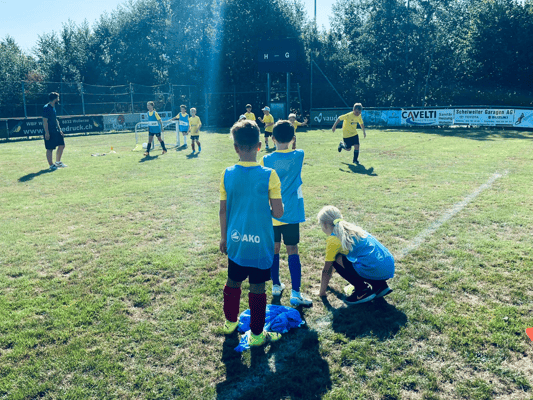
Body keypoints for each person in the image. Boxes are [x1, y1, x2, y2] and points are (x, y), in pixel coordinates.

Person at [219, 120, 284, 346]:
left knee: (233, 282)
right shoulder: (270, 174)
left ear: (236, 147)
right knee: (258, 287)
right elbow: (278, 212)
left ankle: (230, 323)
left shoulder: (227, 174)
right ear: (259, 146)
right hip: (260, 243)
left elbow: (223, 210)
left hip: (235, 241)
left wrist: (223, 238)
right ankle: (257, 335)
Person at [260, 120, 312, 307]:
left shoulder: (266, 159)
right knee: (292, 250)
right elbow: (295, 150)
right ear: (293, 138)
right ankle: (295, 293)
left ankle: (276, 285)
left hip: (272, 213)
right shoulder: (299, 155)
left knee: (274, 249)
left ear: (273, 138)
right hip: (291, 212)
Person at [317, 205, 394, 305]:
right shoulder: (354, 229)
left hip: (374, 269)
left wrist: (322, 292)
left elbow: (327, 269)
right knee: (359, 260)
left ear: (325, 225)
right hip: (388, 267)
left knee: (336, 258)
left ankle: (362, 290)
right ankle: (380, 285)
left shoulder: (333, 239)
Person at [42, 92, 66, 170]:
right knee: (50, 148)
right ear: (55, 99)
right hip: (49, 131)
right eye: (58, 98)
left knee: (62, 145)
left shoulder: (53, 107)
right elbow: (45, 121)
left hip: (56, 130)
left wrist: (60, 130)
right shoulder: (46, 107)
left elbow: (55, 119)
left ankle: (58, 162)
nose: (59, 99)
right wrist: (47, 132)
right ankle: (51, 165)